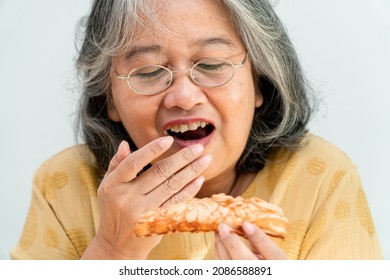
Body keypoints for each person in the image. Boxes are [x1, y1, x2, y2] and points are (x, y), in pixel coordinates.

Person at [11, 0, 382, 260]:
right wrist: (112, 249)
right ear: (109, 99)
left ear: (260, 82)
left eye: (212, 64)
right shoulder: (63, 184)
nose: (184, 97)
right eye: (148, 72)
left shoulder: (321, 178)